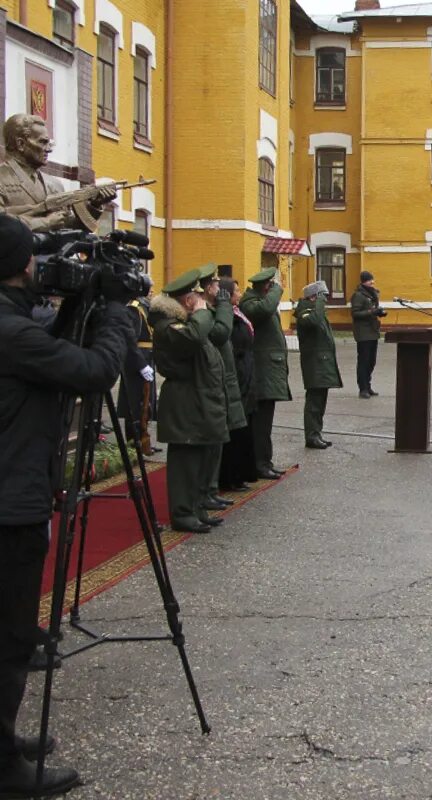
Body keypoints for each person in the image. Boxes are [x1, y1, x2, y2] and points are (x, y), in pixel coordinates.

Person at [0, 213, 132, 797]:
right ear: (19, 265)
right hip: (10, 501)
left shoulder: (14, 326)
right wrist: (117, 321)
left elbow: (45, 345)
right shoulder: (11, 333)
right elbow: (91, 372)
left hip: (14, 487)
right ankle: (3, 769)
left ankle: (3, 740)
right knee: (8, 639)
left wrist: (77, 310)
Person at [150, 268, 230, 533]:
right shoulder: (168, 325)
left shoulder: (187, 321)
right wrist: (203, 311)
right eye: (197, 297)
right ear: (187, 301)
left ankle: (196, 508)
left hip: (198, 398)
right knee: (185, 461)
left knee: (200, 457)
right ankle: (183, 513)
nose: (203, 302)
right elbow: (194, 338)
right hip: (184, 401)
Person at [0, 113, 116, 232]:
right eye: (42, 142)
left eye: (49, 144)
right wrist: (45, 223)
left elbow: (68, 228)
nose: (49, 149)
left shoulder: (53, 184)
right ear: (21, 144)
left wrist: (94, 206)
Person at [198, 265, 244, 512]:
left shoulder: (214, 309)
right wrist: (225, 306)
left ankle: (211, 489)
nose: (221, 290)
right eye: (216, 285)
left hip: (223, 378)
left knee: (219, 437)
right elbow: (220, 333)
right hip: (213, 382)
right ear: (207, 288)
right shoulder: (205, 312)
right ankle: (205, 491)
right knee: (212, 438)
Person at [240, 267, 290, 479]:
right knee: (260, 422)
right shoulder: (250, 303)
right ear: (266, 285)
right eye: (271, 284)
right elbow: (265, 309)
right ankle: (260, 464)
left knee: (265, 420)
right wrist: (278, 290)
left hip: (269, 370)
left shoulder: (259, 300)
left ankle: (264, 461)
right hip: (262, 372)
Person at [217, 278, 258, 491]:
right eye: (237, 290)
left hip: (246, 372)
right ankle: (230, 476)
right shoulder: (226, 316)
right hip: (238, 374)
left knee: (245, 424)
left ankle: (242, 473)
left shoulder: (237, 313)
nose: (240, 293)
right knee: (235, 428)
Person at [295, 281, 342, 450]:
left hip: (322, 364)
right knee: (314, 403)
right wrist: (320, 303)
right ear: (313, 297)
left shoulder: (316, 312)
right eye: (323, 296)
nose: (326, 300)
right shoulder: (305, 312)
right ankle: (312, 435)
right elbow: (314, 321)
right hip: (314, 365)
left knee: (320, 402)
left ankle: (316, 434)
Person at [116, 294, 157, 455]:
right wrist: (141, 364)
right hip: (137, 361)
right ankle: (134, 444)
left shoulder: (145, 307)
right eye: (149, 289)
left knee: (145, 404)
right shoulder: (134, 308)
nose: (152, 291)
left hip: (146, 357)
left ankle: (143, 441)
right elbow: (130, 339)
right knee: (134, 404)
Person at [350, 271, 386, 399]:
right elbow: (355, 313)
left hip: (373, 331)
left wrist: (379, 312)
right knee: (364, 361)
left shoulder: (372, 293)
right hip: (363, 332)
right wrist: (371, 311)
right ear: (363, 281)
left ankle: (368, 385)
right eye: (369, 280)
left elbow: (371, 310)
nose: (372, 282)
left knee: (372, 361)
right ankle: (363, 388)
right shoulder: (359, 295)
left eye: (372, 279)